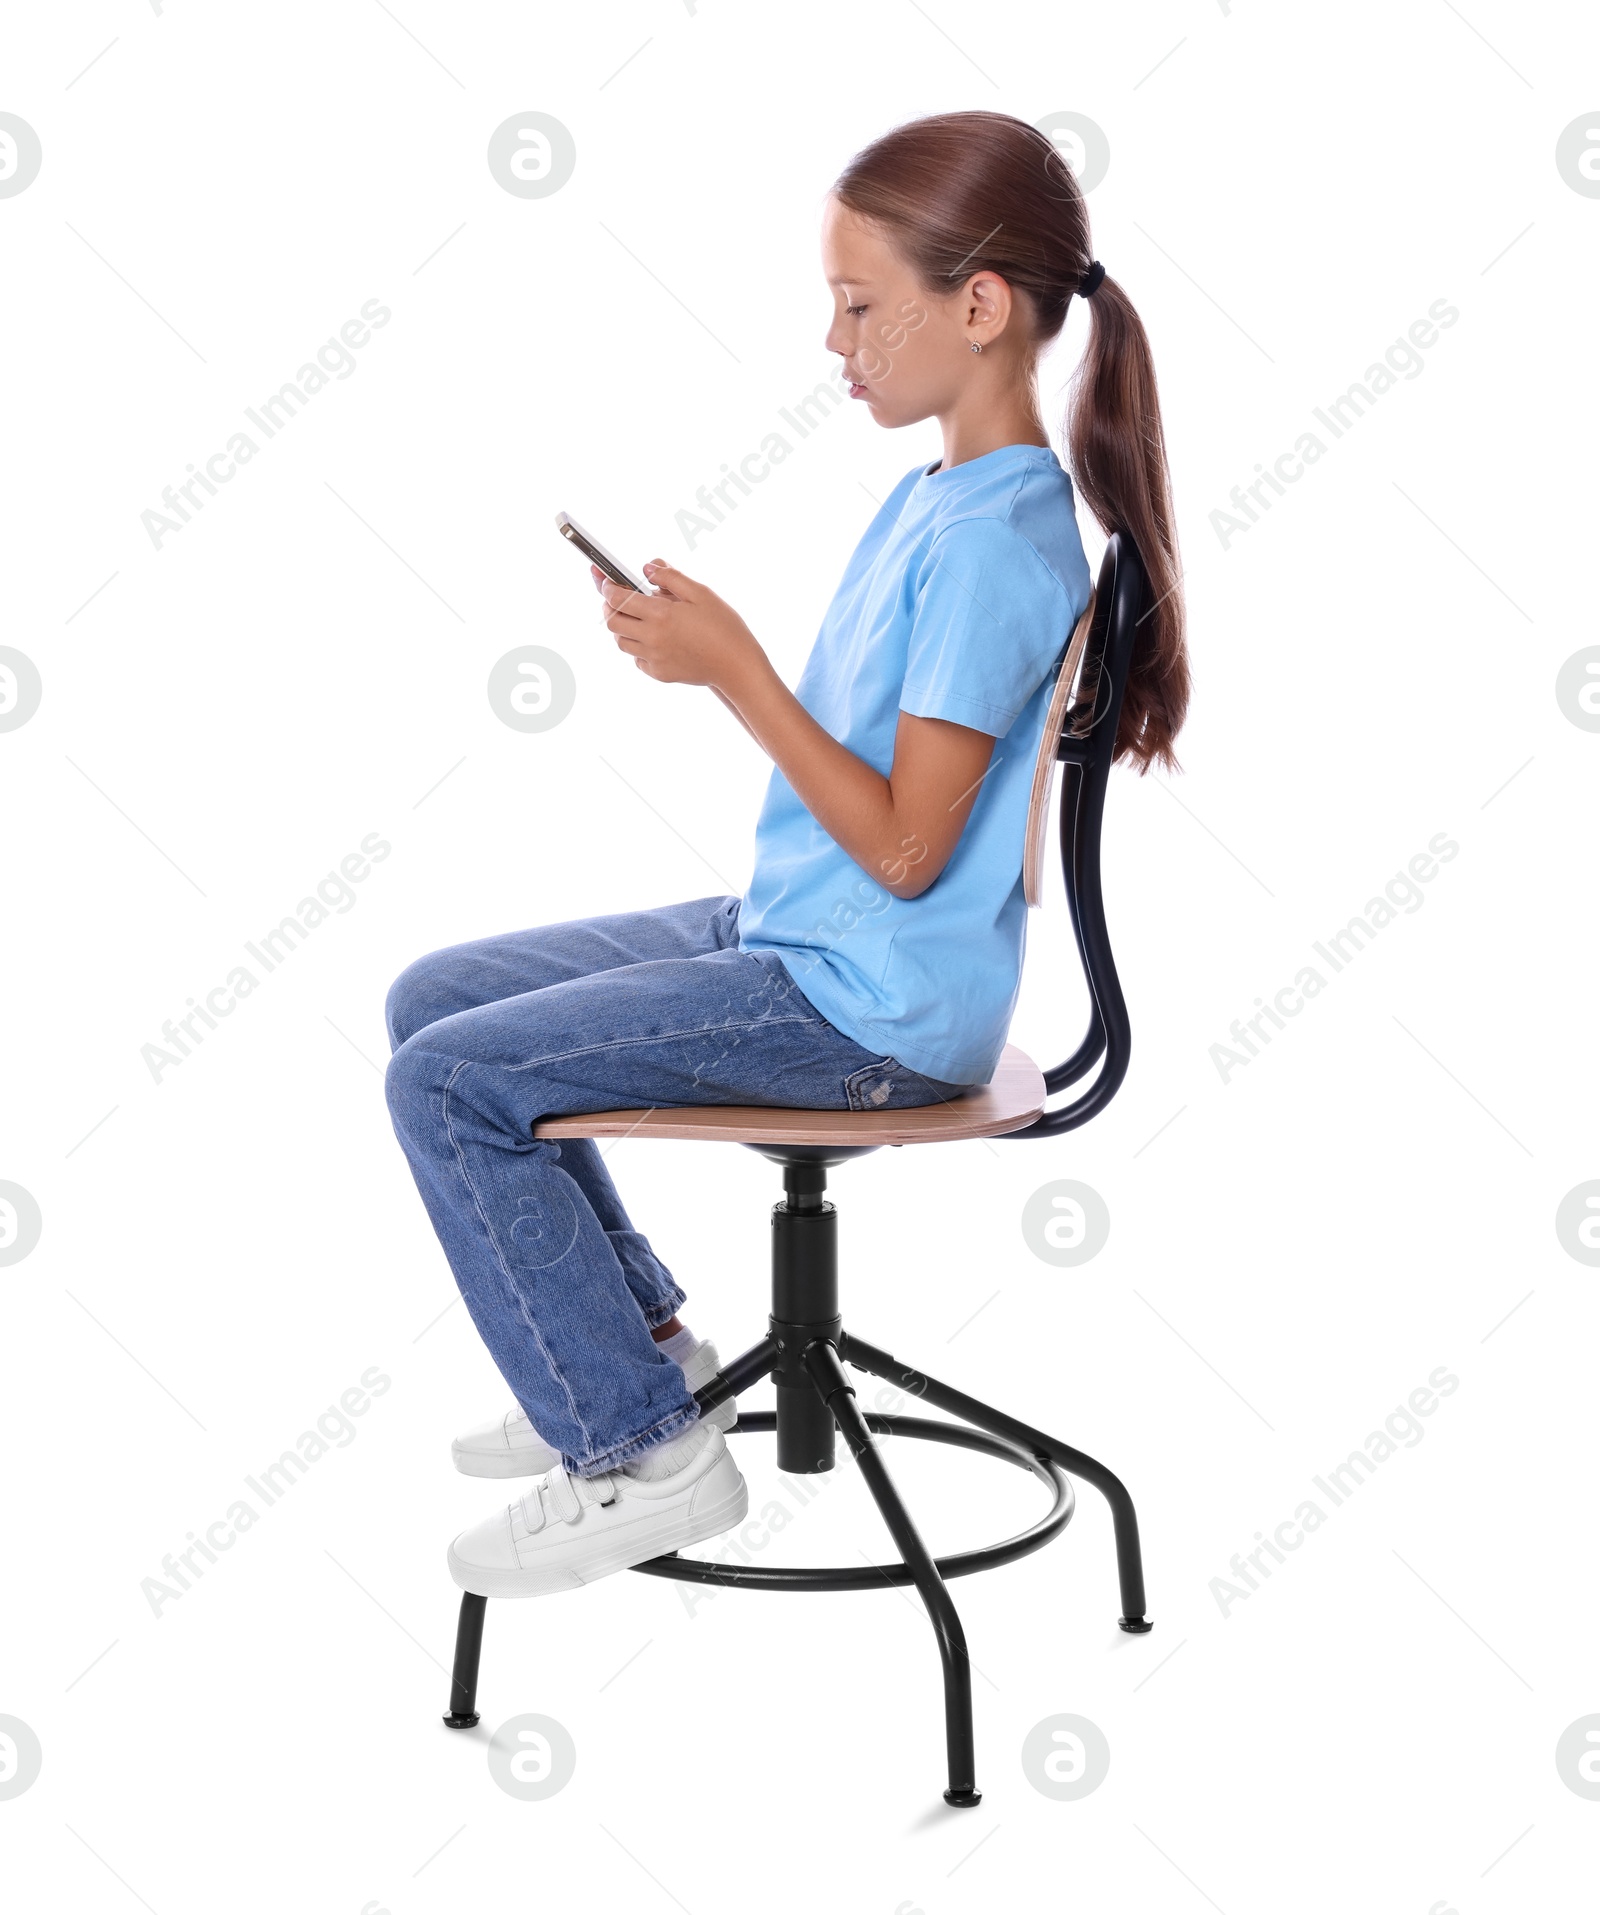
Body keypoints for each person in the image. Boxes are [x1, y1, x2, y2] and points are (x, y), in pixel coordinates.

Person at [384, 109, 1189, 1599]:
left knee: (448, 1084)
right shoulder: (939, 495)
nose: (834, 340)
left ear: (980, 304)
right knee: (433, 1002)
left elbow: (903, 850)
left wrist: (732, 666)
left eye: (859, 305)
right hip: (799, 936)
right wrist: (720, 650)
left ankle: (640, 1454)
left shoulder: (1001, 543)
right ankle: (639, 1356)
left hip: (869, 1005)